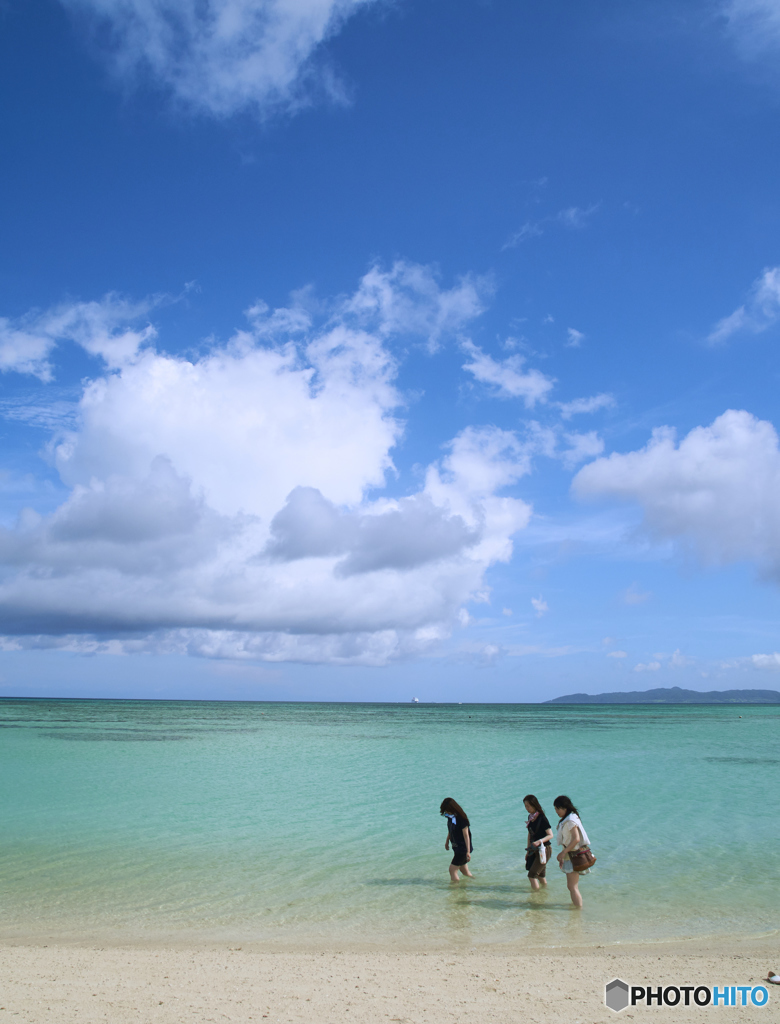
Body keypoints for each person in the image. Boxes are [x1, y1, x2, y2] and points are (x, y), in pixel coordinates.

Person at [553, 795, 591, 908]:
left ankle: (578, 912)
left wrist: (563, 853)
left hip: (573, 855)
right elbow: (568, 841)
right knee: (571, 886)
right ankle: (576, 909)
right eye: (555, 809)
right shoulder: (570, 818)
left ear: (565, 808)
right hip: (570, 855)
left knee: (572, 887)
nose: (556, 811)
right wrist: (562, 857)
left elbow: (576, 839)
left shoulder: (570, 820)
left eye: (557, 808)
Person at [440, 798, 473, 882]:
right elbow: (450, 830)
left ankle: (455, 890)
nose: (446, 813)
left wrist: (468, 851)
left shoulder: (462, 819)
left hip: (462, 849)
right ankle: (474, 882)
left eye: (447, 811)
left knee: (452, 870)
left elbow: (466, 835)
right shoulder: (451, 817)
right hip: (456, 847)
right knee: (464, 871)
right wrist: (447, 841)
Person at [523, 794, 553, 890]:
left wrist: (539, 841)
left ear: (534, 805)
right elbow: (530, 834)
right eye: (525, 806)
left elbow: (550, 835)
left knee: (532, 875)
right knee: (541, 876)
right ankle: (544, 894)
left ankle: (535, 899)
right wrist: (528, 851)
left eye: (528, 806)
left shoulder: (542, 818)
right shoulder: (530, 817)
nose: (526, 808)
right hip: (534, 850)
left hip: (545, 850)